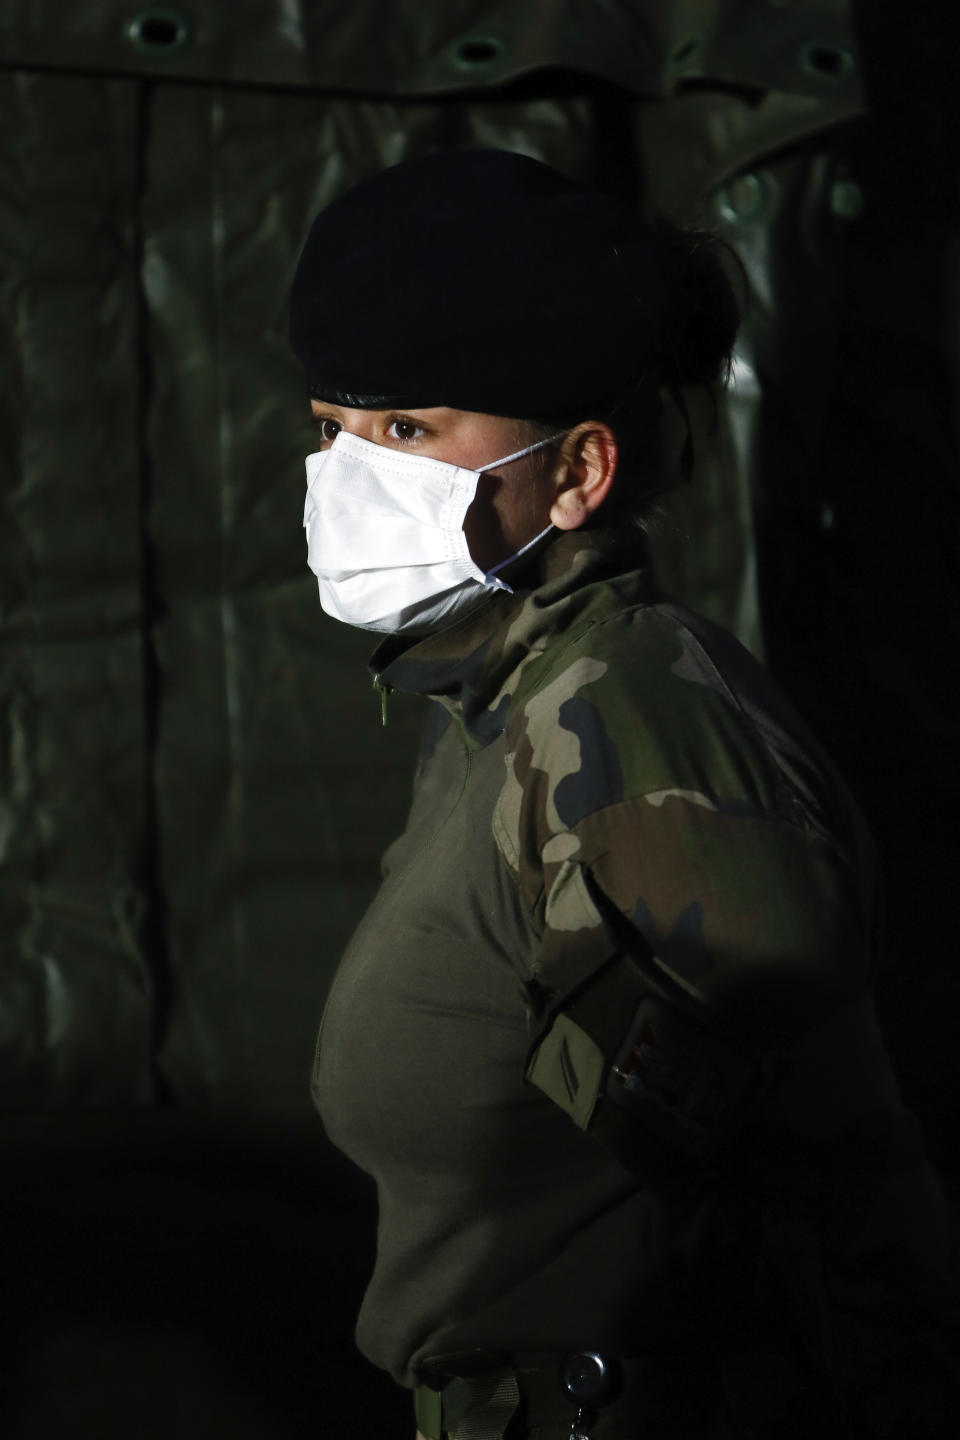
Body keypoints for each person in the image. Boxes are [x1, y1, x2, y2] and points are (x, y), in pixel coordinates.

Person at [289, 150, 957, 1439]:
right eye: (332, 427)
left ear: (580, 471)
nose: (348, 472)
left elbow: (810, 1203)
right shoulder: (499, 696)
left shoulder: (629, 741)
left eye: (409, 429)